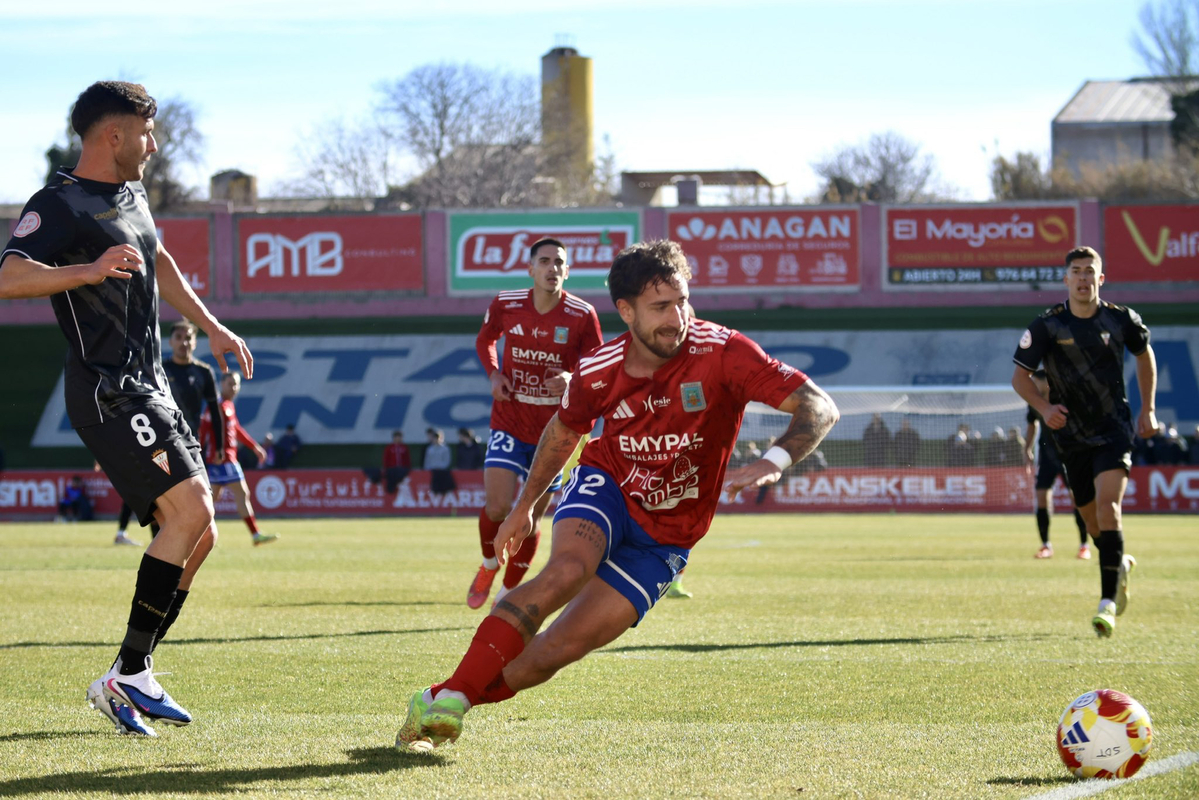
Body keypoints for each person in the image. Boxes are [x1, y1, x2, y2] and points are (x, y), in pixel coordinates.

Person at [396, 239, 839, 751]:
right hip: (607, 487)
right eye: (660, 308)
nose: (678, 318)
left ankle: (439, 698)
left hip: (668, 538)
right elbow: (563, 433)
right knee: (565, 571)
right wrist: (524, 507)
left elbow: (818, 406)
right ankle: (454, 699)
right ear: (626, 311)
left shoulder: (723, 352)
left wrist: (774, 459)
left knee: (556, 651)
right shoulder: (598, 368)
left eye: (683, 301)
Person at [0, 81, 254, 736]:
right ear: (112, 136)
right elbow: (8, 277)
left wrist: (215, 328)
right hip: (108, 388)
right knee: (192, 510)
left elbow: (160, 261)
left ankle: (124, 677)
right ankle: (131, 673)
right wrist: (82, 272)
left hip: (151, 385)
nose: (155, 144)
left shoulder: (131, 196)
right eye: (147, 132)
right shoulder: (59, 205)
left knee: (202, 534)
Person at [1012, 245, 1157, 638]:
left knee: (1109, 510)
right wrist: (1043, 408)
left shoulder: (1121, 319)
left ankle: (1107, 603)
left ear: (1101, 279)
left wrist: (1148, 409)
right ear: (1066, 279)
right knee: (1092, 521)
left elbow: (1145, 355)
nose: (1082, 278)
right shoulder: (1047, 326)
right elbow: (1020, 378)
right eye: (1076, 271)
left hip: (1113, 430)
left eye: (1089, 271)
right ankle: (1118, 562)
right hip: (1070, 437)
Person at [466, 237, 603, 611]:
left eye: (559, 262)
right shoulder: (507, 304)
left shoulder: (581, 314)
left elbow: (597, 366)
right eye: (544, 261)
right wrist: (494, 374)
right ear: (530, 269)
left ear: (567, 271)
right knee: (497, 508)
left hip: (556, 432)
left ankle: (509, 590)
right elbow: (485, 340)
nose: (552, 268)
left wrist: (573, 379)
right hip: (509, 420)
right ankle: (489, 564)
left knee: (531, 516)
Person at [199, 371, 278, 547]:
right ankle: (255, 534)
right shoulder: (215, 405)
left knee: (213, 499)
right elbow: (203, 431)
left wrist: (255, 447)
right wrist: (198, 453)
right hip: (222, 459)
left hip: (227, 458)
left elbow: (237, 430)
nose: (234, 388)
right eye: (230, 384)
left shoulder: (228, 405)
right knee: (238, 494)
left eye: (236, 384)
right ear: (221, 385)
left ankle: (198, 535)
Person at [1024, 370, 1089, 560]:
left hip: (1069, 454)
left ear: (1046, 383)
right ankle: (1046, 546)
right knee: (1042, 496)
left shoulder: (1062, 397)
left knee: (1077, 498)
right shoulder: (1034, 402)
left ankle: (1084, 545)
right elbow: (1032, 424)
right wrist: (1028, 448)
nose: (1034, 385)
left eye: (1036, 381)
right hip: (1046, 455)